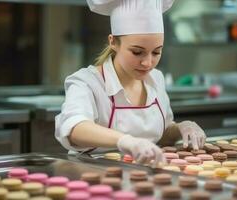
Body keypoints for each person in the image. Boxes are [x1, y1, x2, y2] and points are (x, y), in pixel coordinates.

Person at [55, 0, 206, 165]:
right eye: (137, 52)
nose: (147, 63)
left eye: (156, 52)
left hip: (146, 178)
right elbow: (74, 128)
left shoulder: (156, 79)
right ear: (113, 42)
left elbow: (159, 134)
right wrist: (125, 141)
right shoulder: (87, 82)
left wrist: (181, 128)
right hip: (96, 176)